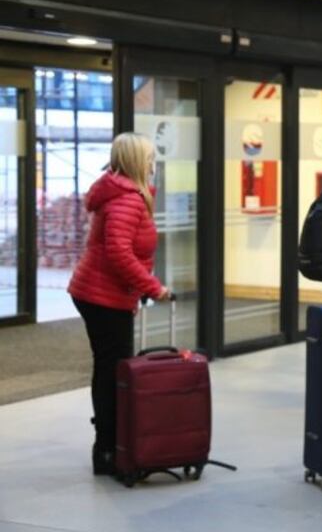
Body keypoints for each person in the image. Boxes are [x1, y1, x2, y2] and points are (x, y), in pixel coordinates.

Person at [67, 132, 169, 475]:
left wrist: (138, 289)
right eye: (150, 158)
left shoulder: (123, 193)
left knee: (109, 369)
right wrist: (153, 287)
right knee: (113, 372)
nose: (154, 165)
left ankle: (109, 447)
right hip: (102, 295)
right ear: (137, 162)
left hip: (102, 293)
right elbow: (119, 254)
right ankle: (109, 451)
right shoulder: (127, 199)